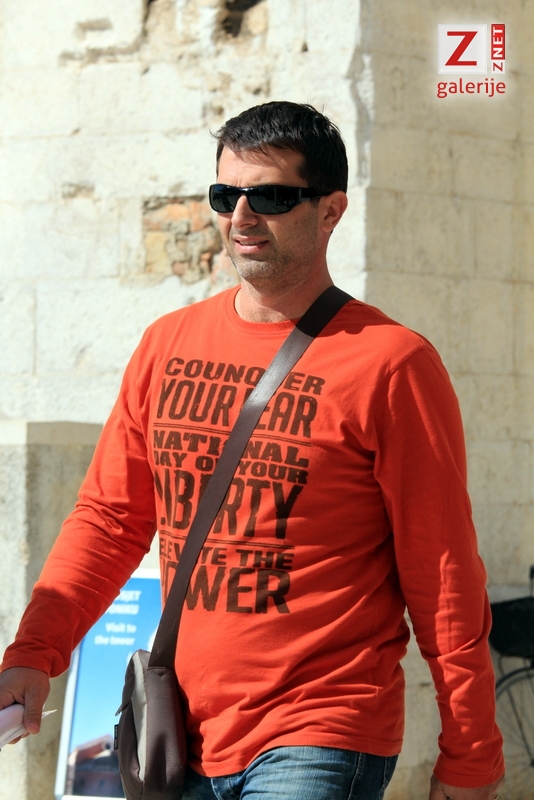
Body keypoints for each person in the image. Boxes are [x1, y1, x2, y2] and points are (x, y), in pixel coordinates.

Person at [0, 101, 504, 800]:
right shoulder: (167, 344)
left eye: (270, 197)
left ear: (330, 211)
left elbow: (441, 569)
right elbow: (110, 520)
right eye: (224, 195)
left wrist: (471, 751)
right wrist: (34, 651)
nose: (241, 217)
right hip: (182, 731)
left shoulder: (391, 364)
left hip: (323, 727)